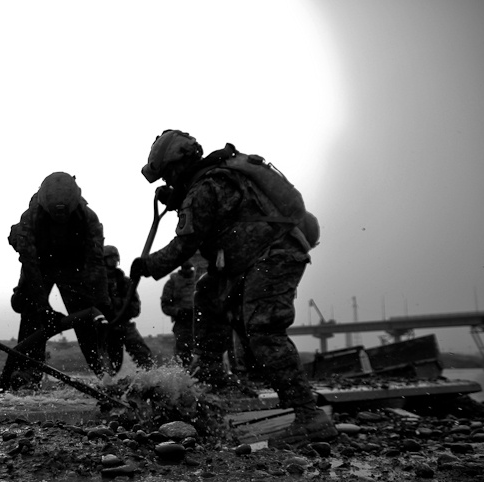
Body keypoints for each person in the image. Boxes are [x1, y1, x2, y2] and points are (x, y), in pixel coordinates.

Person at [130, 129, 336, 447]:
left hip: (272, 256)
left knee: (264, 329)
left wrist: (149, 265)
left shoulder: (205, 187)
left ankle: (309, 416)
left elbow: (187, 243)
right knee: (208, 293)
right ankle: (210, 382)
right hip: (249, 261)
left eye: (168, 175)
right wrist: (179, 198)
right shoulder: (211, 180)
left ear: (178, 164)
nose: (168, 182)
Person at [5, 172, 112, 389]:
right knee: (31, 314)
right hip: (40, 264)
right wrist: (43, 307)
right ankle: (26, 374)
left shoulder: (88, 218)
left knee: (85, 316)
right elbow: (31, 266)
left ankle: (105, 374)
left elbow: (95, 263)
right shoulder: (30, 219)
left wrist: (101, 302)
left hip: (73, 265)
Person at [103, 244, 154, 373]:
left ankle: (149, 380)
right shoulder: (99, 283)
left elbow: (136, 307)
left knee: (144, 355)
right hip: (106, 327)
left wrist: (122, 306)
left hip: (124, 324)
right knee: (111, 362)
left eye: (116, 257)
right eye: (110, 258)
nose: (114, 260)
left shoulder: (126, 282)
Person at [161, 260, 197, 367]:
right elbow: (165, 305)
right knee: (183, 355)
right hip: (182, 322)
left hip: (200, 322)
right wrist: (179, 312)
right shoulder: (172, 282)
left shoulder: (199, 278)